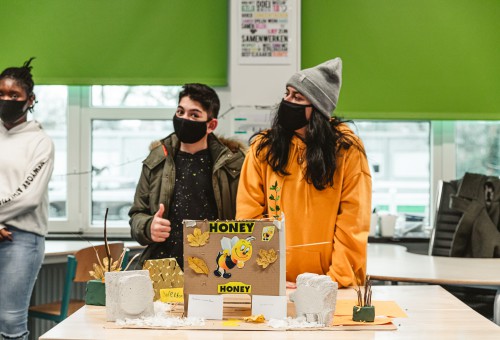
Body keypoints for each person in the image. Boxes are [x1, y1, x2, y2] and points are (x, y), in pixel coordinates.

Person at [236, 58, 372, 288]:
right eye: (287, 94)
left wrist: (332, 281)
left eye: (297, 98)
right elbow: (249, 217)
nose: (287, 101)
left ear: (318, 109)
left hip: (332, 284)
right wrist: (269, 274)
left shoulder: (347, 151)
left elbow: (353, 223)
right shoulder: (263, 148)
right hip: (275, 282)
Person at [129, 83, 246, 268]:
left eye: (194, 115)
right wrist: (147, 226)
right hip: (164, 266)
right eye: (180, 112)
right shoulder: (157, 159)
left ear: (211, 125)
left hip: (217, 266)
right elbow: (137, 214)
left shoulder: (233, 165)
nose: (184, 119)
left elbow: (250, 219)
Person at [0, 58, 55, 340]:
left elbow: (29, 196)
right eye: (1, 94)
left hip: (21, 238)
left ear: (30, 100)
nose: (7, 99)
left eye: (14, 95)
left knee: (10, 323)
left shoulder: (40, 142)